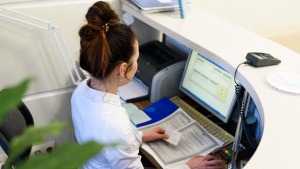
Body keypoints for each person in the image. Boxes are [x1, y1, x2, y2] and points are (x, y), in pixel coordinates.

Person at [71, 1, 223, 169]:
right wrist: (188, 167)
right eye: (135, 59)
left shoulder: (82, 89)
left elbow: (105, 138)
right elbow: (114, 134)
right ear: (123, 69)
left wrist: (139, 135)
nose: (137, 64)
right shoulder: (115, 126)